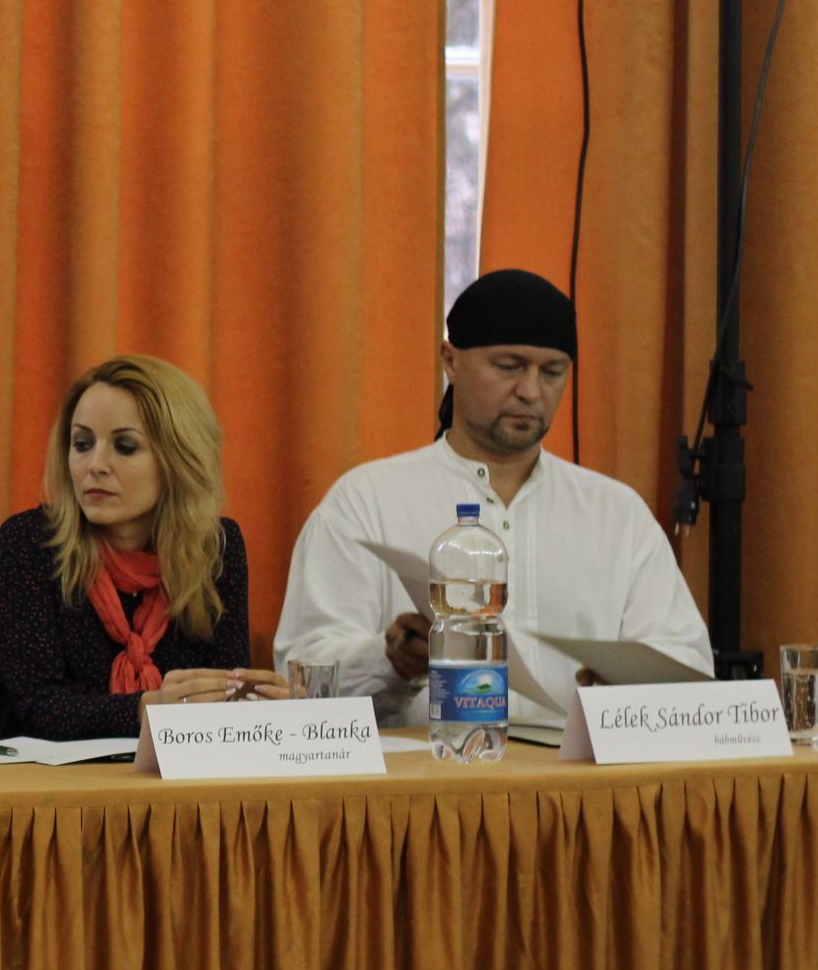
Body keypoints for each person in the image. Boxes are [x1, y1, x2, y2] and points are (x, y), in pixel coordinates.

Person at [275, 268, 712, 725]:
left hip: (576, 770)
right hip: (425, 769)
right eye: (509, 367)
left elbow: (689, 667)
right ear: (451, 361)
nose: (530, 391)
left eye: (552, 372)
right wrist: (390, 662)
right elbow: (302, 677)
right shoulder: (366, 502)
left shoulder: (617, 515)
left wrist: (629, 686)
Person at [0, 355, 285, 739]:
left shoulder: (215, 547)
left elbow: (221, 700)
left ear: (178, 459)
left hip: (175, 770)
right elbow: (35, 709)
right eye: (82, 444)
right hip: (46, 774)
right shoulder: (28, 542)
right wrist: (147, 709)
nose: (95, 465)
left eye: (125, 446)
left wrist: (258, 701)